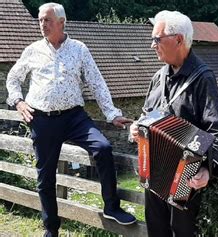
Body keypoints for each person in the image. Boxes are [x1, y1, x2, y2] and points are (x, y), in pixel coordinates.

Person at [6, 3, 136, 236]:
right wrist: (18, 102)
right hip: (42, 119)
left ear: (61, 22)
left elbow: (96, 82)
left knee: (103, 148)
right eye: (40, 20)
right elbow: (13, 78)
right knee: (45, 176)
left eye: (47, 20)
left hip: (74, 117)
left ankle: (111, 206)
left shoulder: (79, 49)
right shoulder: (32, 49)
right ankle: (51, 228)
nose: (42, 24)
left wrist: (112, 113)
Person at [129, 10, 218, 236]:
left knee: (181, 232)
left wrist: (207, 170)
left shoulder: (203, 78)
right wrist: (136, 129)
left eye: (157, 39)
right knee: (156, 230)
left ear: (179, 40)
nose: (152, 45)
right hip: (153, 172)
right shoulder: (158, 77)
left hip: (185, 176)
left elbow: (216, 132)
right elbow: (146, 117)